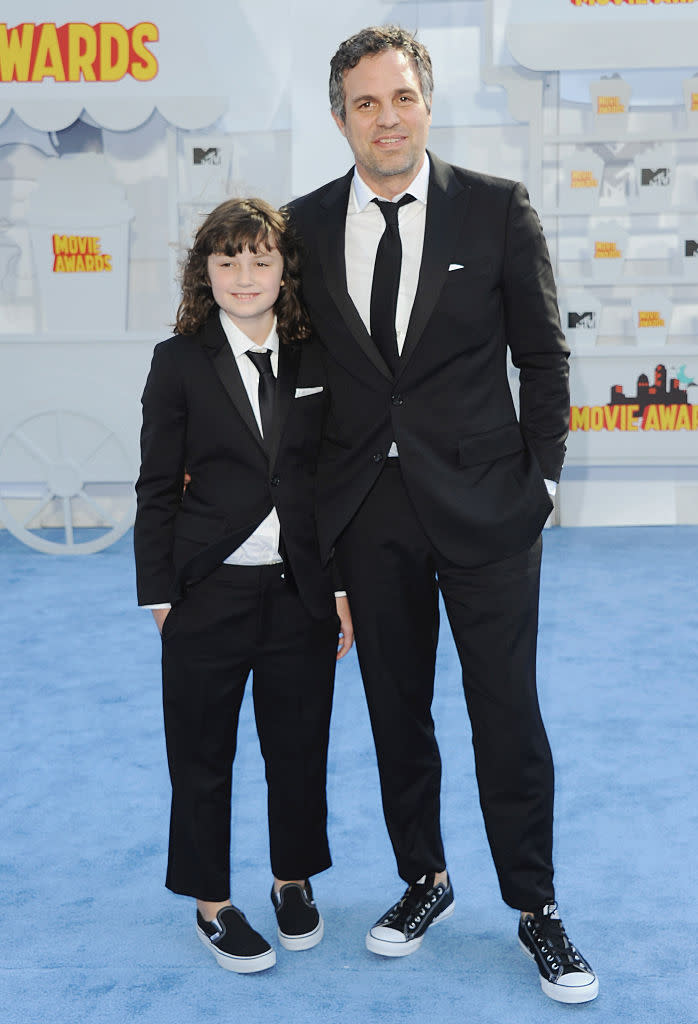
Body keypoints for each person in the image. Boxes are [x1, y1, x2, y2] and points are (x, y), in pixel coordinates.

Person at [286, 25, 597, 1004]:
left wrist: (537, 486)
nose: (387, 118)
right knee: (395, 711)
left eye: (402, 97)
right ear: (338, 117)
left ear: (428, 101)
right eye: (366, 103)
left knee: (505, 713)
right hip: (365, 518)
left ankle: (535, 906)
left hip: (487, 509)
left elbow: (542, 358)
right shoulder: (298, 227)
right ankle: (423, 878)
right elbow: (303, 393)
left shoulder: (496, 213)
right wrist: (318, 547)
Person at [134, 197, 353, 974]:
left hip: (300, 590)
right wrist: (160, 593)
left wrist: (338, 587)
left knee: (299, 747)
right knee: (202, 752)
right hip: (205, 591)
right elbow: (156, 484)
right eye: (228, 261)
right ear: (206, 272)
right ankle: (211, 902)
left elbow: (332, 481)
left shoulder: (315, 357)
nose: (246, 274)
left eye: (261, 259)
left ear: (283, 268)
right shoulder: (179, 359)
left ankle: (292, 881)